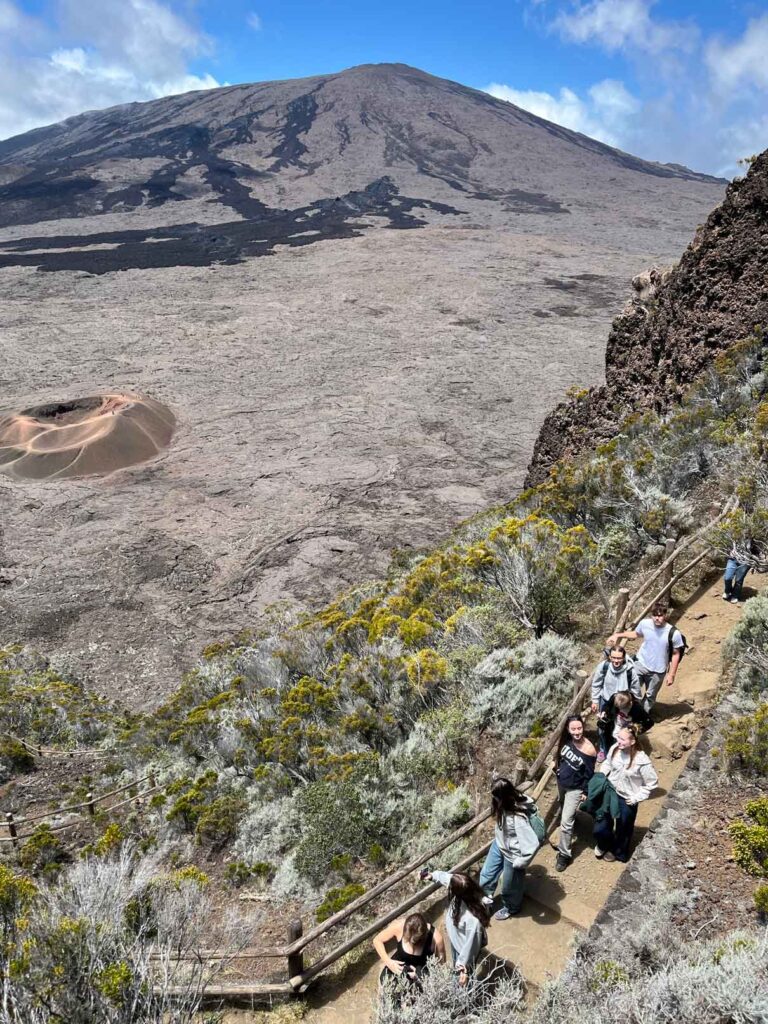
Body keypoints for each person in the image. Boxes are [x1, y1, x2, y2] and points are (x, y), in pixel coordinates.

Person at [477, 777, 540, 919]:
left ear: (503, 798)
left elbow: (532, 844)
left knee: (509, 887)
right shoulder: (504, 805)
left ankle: (512, 907)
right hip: (499, 845)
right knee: (486, 875)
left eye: (495, 797)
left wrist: (520, 863)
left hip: (513, 854)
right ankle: (486, 902)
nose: (493, 799)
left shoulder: (518, 817)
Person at [593, 725, 658, 862]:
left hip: (627, 798)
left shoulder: (642, 761)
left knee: (624, 827)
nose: (619, 741)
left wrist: (636, 798)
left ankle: (619, 852)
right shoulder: (615, 749)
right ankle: (605, 843)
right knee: (602, 824)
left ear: (632, 741)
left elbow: (651, 783)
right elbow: (608, 764)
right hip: (610, 792)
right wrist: (602, 775)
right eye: (618, 737)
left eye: (622, 739)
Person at [608, 603, 684, 714]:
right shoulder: (645, 624)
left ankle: (639, 718)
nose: (657, 618)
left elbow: (676, 654)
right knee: (631, 692)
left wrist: (671, 674)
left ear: (665, 615)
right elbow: (636, 634)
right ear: (651, 615)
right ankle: (626, 715)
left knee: (650, 696)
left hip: (658, 671)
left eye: (660, 615)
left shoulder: (674, 633)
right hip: (640, 664)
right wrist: (618, 635)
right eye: (655, 615)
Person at [425, 870, 489, 985]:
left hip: (463, 949)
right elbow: (448, 878)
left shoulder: (473, 922)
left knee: (464, 979)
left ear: (456, 892)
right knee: (456, 966)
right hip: (457, 941)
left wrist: (463, 966)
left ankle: (467, 994)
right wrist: (432, 876)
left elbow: (471, 947)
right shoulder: (465, 889)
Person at [553, 715, 596, 872]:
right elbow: (560, 754)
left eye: (579, 728)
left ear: (583, 728)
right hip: (561, 782)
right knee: (562, 804)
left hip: (575, 788)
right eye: (573, 729)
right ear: (568, 729)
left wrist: (585, 790)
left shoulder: (589, 749)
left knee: (565, 821)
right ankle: (572, 822)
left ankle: (564, 854)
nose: (577, 732)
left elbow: (589, 773)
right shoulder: (566, 740)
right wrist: (557, 766)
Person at [590, 646, 642, 761]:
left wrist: (636, 704)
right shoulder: (604, 667)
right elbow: (596, 683)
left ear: (623, 658)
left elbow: (635, 688)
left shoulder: (630, 670)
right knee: (603, 727)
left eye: (619, 658)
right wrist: (594, 700)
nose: (616, 661)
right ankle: (603, 749)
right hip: (606, 701)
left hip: (623, 704)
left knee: (620, 729)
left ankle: (617, 752)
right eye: (613, 657)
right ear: (610, 657)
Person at [373, 911, 445, 988]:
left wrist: (420, 977)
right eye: (407, 940)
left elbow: (441, 966)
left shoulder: (436, 938)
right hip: (397, 971)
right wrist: (388, 962)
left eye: (414, 942)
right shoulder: (400, 926)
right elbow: (377, 940)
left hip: (421, 977)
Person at [723, 538, 766, 602]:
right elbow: (726, 545)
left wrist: (754, 565)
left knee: (739, 580)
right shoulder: (734, 534)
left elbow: (758, 552)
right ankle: (727, 591)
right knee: (727, 577)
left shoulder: (754, 540)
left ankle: (735, 595)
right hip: (733, 559)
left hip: (745, 562)